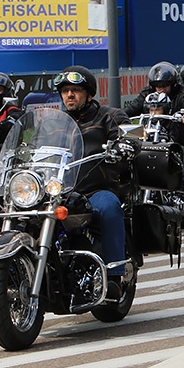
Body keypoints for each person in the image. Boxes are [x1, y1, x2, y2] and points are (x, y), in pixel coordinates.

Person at [54, 65, 133, 300]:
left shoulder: (108, 117)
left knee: (109, 208)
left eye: (75, 90)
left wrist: (124, 145)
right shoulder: (54, 122)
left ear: (88, 94)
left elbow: (127, 137)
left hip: (95, 189)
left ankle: (115, 276)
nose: (69, 95)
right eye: (65, 90)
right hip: (59, 192)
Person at [124, 61, 184, 224]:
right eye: (158, 85)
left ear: (172, 84)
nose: (161, 88)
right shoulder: (148, 94)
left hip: (180, 137)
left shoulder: (183, 92)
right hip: (151, 136)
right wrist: (117, 117)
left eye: (165, 85)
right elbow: (132, 108)